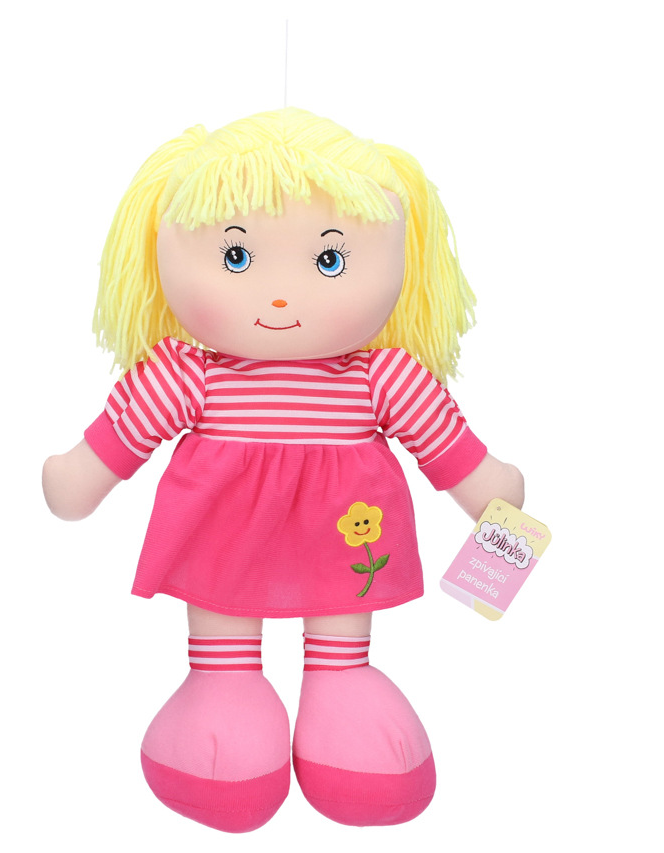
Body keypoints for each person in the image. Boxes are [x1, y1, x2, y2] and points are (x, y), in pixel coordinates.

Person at [43, 108, 524, 832]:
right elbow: (116, 445)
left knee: (340, 647)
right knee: (225, 648)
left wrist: (491, 491)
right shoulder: (189, 373)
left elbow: (447, 446)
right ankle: (223, 686)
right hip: (224, 536)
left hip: (344, 533)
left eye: (329, 261)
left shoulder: (380, 378)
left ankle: (341, 685)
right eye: (236, 257)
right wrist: (77, 476)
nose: (279, 296)